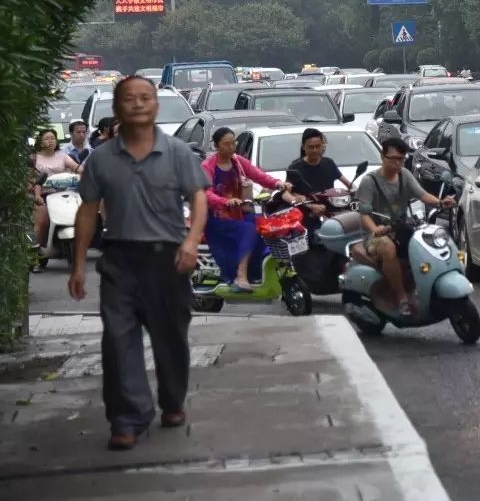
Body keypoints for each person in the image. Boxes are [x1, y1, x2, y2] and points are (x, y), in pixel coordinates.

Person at [67, 75, 208, 451]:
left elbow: (198, 198)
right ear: (117, 108)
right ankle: (126, 418)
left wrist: (192, 241)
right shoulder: (101, 159)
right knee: (117, 340)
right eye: (129, 98)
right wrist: (78, 265)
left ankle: (173, 400)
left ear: (156, 105)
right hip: (119, 262)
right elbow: (87, 211)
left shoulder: (177, 152)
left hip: (168, 260)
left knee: (170, 338)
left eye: (146, 97)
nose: (138, 104)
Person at [355, 138, 455, 316]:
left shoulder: (405, 175)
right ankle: (401, 298)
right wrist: (375, 229)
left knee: (428, 242)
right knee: (388, 247)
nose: (397, 163)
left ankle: (425, 289)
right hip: (376, 236)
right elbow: (364, 216)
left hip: (401, 229)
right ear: (382, 156)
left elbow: (423, 195)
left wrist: (441, 203)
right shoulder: (369, 181)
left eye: (401, 159)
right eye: (392, 158)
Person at [200, 128, 293, 292]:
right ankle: (240, 276)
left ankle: (257, 272)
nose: (231, 147)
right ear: (216, 146)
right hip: (217, 220)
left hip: (239, 215)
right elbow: (205, 192)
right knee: (248, 229)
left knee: (262, 226)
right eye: (226, 144)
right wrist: (226, 201)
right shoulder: (208, 166)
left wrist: (278, 184)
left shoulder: (238, 162)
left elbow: (260, 176)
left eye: (233, 143)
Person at [30, 128, 81, 260]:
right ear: (40, 142)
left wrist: (86, 173)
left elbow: (76, 167)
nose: (50, 141)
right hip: (41, 195)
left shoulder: (62, 155)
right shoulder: (34, 158)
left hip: (62, 194)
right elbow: (29, 180)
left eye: (53, 138)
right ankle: (34, 254)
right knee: (42, 220)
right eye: (47, 138)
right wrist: (37, 195)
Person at [285, 128, 356, 221]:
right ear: (303, 147)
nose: (315, 150)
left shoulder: (329, 163)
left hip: (331, 216)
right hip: (306, 217)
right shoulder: (295, 167)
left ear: (322, 146)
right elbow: (286, 194)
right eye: (311, 147)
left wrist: (354, 191)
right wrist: (309, 205)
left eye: (317, 146)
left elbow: (348, 184)